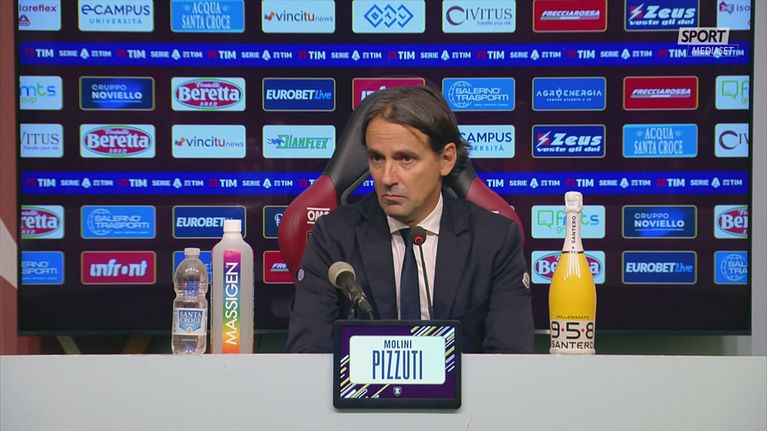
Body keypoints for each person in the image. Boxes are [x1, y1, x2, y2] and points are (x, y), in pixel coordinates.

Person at [286, 85, 534, 353]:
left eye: (405, 159)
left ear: (446, 159)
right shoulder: (333, 237)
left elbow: (510, 358)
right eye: (377, 158)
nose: (387, 177)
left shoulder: (495, 240)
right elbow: (306, 355)